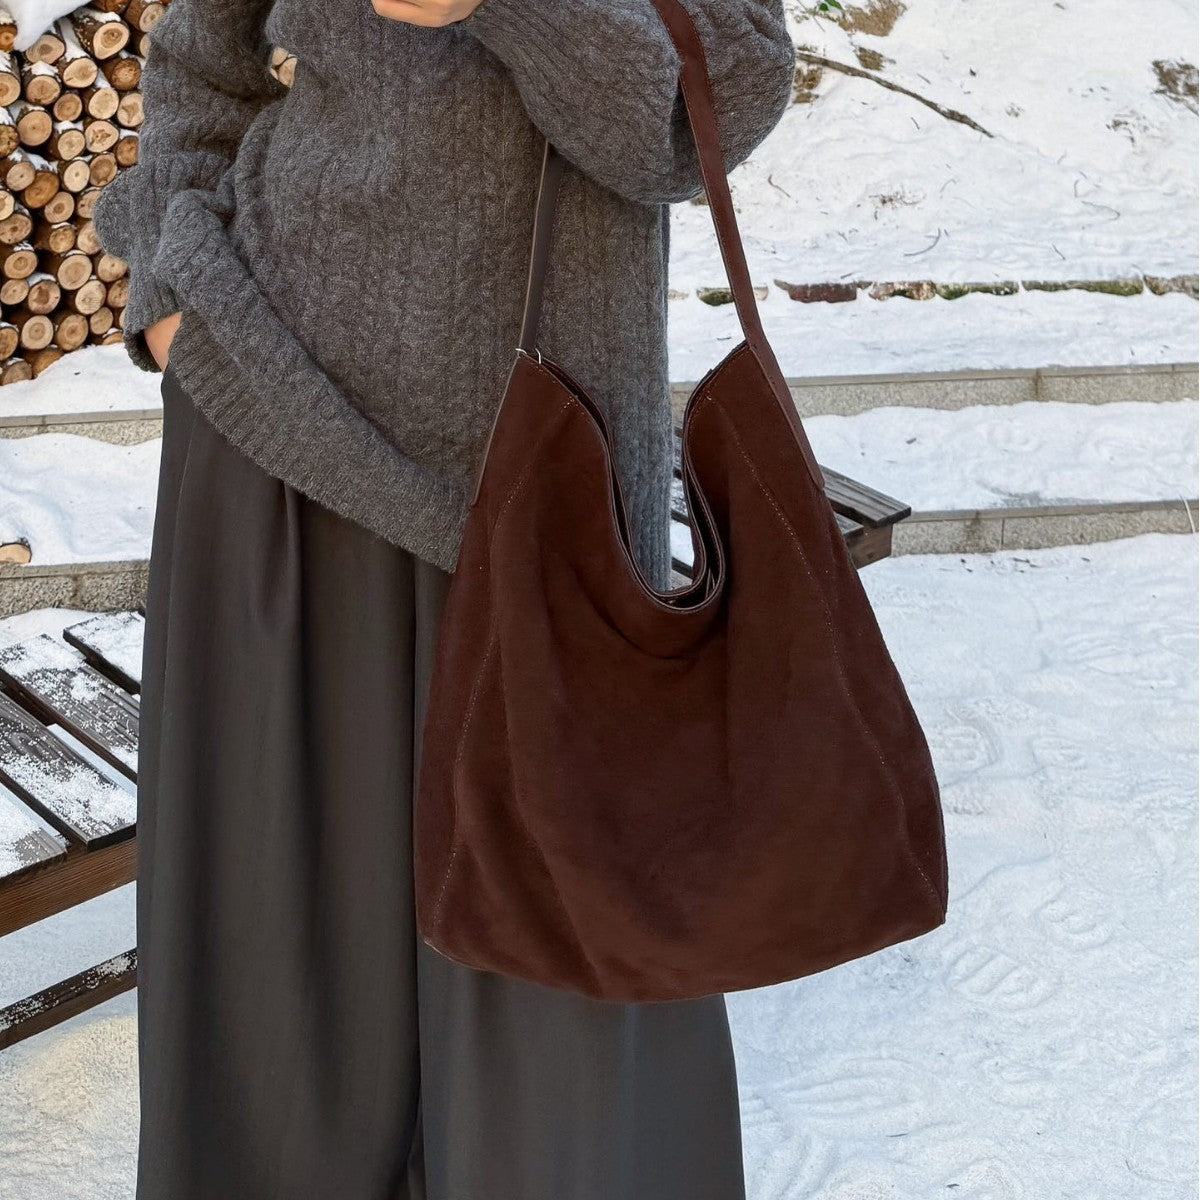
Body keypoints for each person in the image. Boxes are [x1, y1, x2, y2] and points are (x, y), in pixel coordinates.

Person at [92, 0, 797, 1195]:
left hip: (541, 483)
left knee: (560, 1014)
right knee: (277, 981)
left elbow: (701, 120)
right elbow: (197, 63)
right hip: (266, 411)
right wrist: (173, 298)